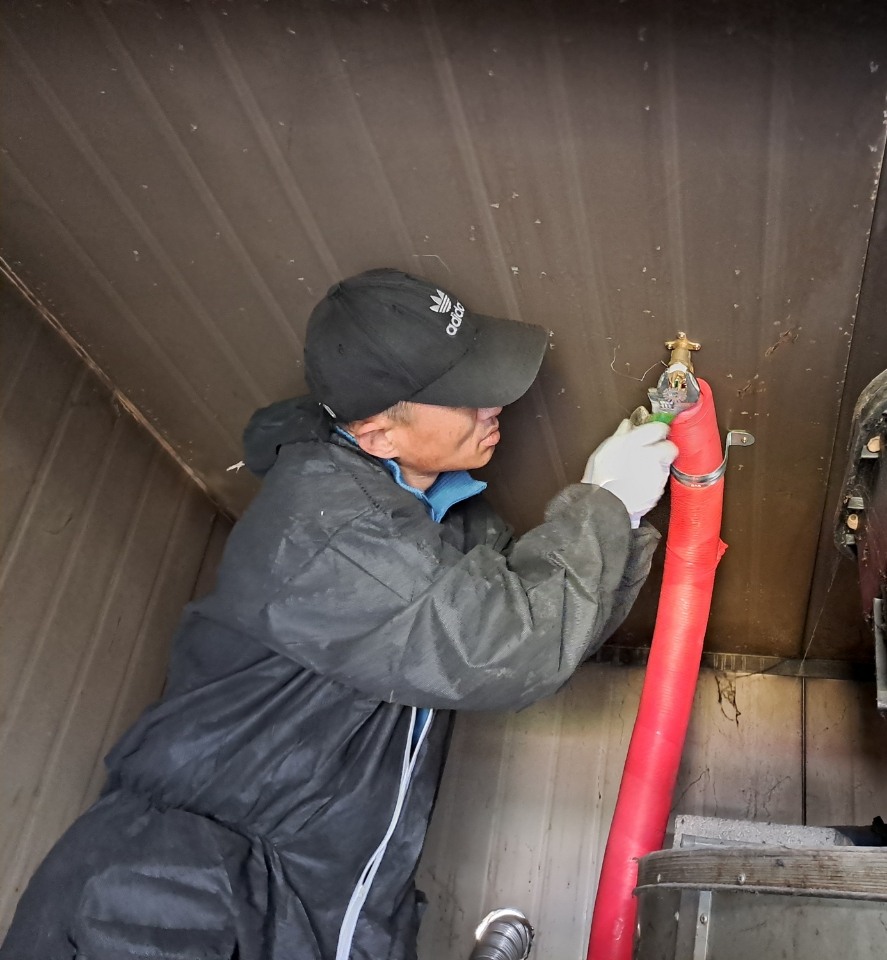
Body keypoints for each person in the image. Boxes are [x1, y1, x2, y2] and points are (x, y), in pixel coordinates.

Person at [2, 268, 677, 960]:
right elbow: (505, 647)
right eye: (461, 396)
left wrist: (616, 522)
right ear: (379, 435)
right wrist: (604, 507)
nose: (492, 404)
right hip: (174, 894)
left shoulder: (448, 522)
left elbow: (549, 628)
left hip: (320, 899)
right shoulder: (322, 523)